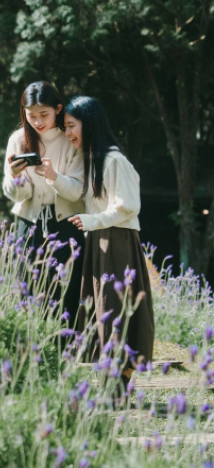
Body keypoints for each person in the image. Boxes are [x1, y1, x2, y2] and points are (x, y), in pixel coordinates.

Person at [65, 96, 154, 390]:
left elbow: (128, 205)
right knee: (102, 311)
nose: (68, 133)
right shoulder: (92, 159)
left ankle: (117, 382)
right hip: (100, 242)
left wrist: (92, 221)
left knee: (113, 310)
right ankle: (112, 382)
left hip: (116, 242)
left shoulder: (115, 160)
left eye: (71, 126)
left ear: (88, 124)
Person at [2, 81, 85, 323]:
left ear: (58, 109)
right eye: (31, 115)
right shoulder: (18, 139)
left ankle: (66, 350)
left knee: (66, 291)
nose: (37, 121)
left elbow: (78, 192)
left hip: (66, 223)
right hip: (29, 222)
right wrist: (16, 177)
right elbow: (15, 194)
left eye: (44, 114)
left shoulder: (70, 137)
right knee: (27, 289)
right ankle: (31, 351)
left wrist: (53, 177)